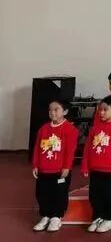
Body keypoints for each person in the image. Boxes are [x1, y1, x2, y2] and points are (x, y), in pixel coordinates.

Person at [81, 96, 111, 233]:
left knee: (110, 194)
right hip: (95, 169)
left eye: (105, 110)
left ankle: (109, 218)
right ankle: (98, 216)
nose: (101, 112)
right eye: (100, 110)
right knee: (95, 194)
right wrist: (85, 166)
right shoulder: (95, 128)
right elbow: (87, 149)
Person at [31, 99, 78, 232]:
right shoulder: (43, 129)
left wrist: (67, 167)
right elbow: (37, 148)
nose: (52, 112)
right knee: (42, 193)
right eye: (50, 110)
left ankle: (56, 217)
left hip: (59, 170)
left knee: (58, 194)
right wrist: (35, 165)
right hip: (44, 169)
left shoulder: (70, 129)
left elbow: (70, 151)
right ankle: (45, 215)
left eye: (56, 109)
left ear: (65, 112)